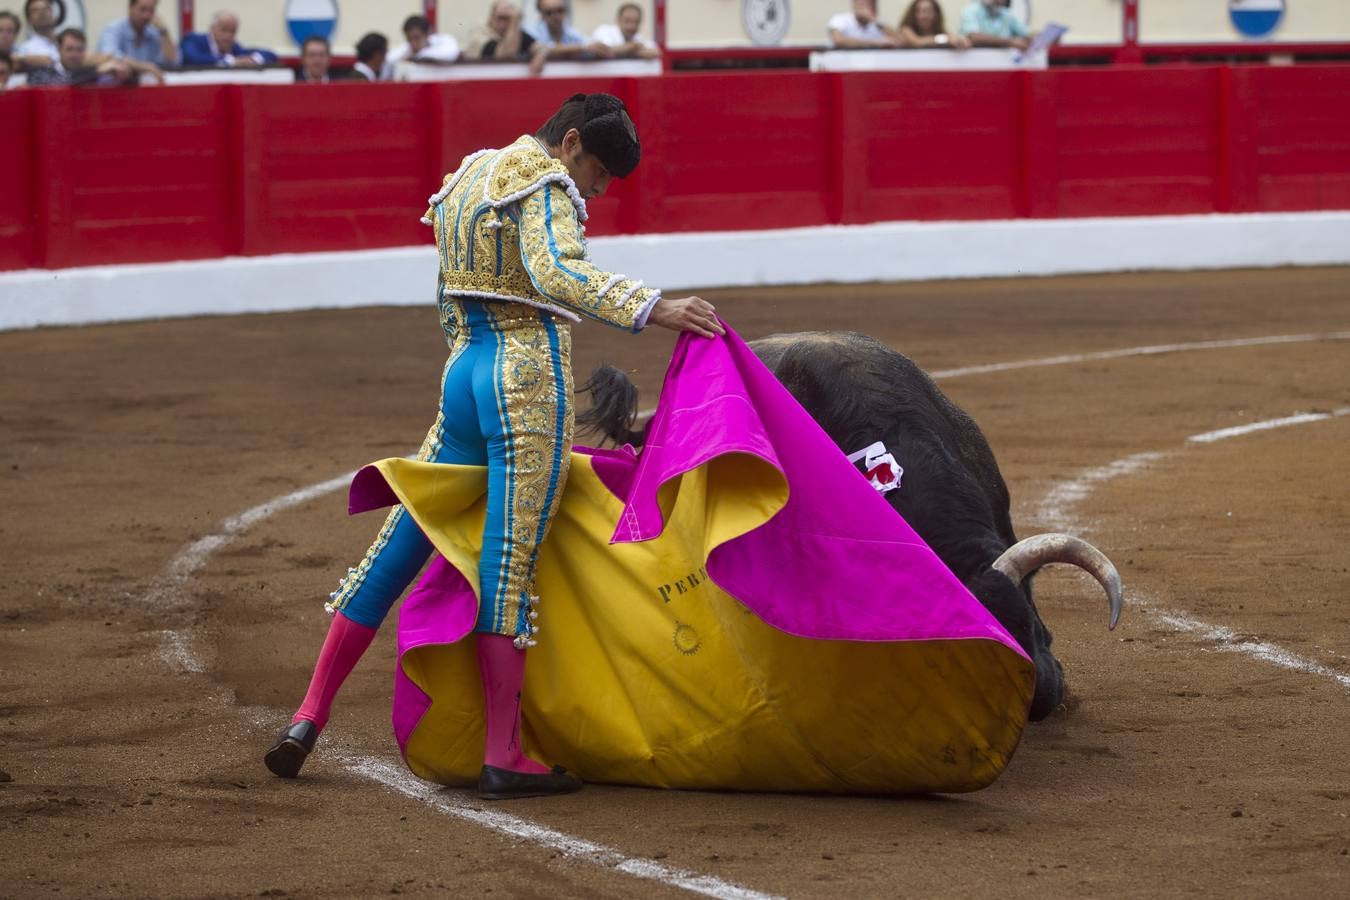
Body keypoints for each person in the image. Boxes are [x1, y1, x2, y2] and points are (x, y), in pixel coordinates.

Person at [264, 92, 723, 800]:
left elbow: (450, 287)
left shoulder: (471, 173)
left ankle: (306, 715)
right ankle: (505, 753)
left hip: (464, 371)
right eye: (598, 171)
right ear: (570, 143)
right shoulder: (546, 181)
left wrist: (466, 359)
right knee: (506, 565)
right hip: (526, 376)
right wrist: (654, 307)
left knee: (397, 544)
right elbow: (556, 275)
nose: (597, 189)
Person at [27, 26, 160, 86]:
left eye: (79, 49)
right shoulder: (43, 71)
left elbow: (125, 79)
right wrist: (96, 71)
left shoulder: (96, 72)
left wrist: (126, 72)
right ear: (58, 49)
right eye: (69, 49)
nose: (75, 54)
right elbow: (63, 82)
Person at [179, 10, 277, 68]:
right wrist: (231, 61)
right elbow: (193, 59)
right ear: (212, 29)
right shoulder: (192, 40)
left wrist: (254, 60)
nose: (228, 36)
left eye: (232, 31)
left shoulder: (234, 47)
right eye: (224, 30)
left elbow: (271, 55)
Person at [97, 0, 176, 67]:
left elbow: (173, 61)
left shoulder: (153, 33)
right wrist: (145, 67)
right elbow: (109, 58)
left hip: (145, 83)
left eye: (151, 11)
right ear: (130, 8)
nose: (147, 16)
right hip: (115, 84)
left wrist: (164, 32)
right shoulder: (113, 30)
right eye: (142, 9)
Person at [591, 2, 659, 59]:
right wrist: (635, 47)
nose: (632, 26)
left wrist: (625, 50)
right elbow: (605, 50)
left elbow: (656, 52)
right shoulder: (604, 31)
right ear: (618, 20)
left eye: (636, 22)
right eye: (627, 21)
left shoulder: (639, 38)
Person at [388, 14, 460, 65]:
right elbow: (389, 59)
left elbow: (451, 52)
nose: (413, 43)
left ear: (428, 33)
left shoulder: (443, 40)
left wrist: (417, 57)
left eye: (417, 38)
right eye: (409, 39)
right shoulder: (407, 48)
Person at [958, 0, 1030, 50]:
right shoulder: (970, 11)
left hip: (1003, 64)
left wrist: (1036, 37)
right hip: (975, 63)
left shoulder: (1006, 14)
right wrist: (1010, 42)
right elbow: (974, 37)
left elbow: (1026, 34)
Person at [897, 0, 969, 48]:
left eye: (928, 11)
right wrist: (945, 39)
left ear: (936, 14)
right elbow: (918, 42)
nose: (922, 16)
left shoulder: (940, 30)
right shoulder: (906, 30)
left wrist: (960, 41)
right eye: (918, 11)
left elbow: (952, 37)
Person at [827, 0, 896, 49]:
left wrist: (873, 20)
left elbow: (896, 40)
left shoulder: (878, 24)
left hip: (872, 65)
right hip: (843, 64)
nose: (862, 7)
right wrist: (875, 43)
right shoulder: (839, 19)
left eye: (866, 4)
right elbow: (838, 41)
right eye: (860, 3)